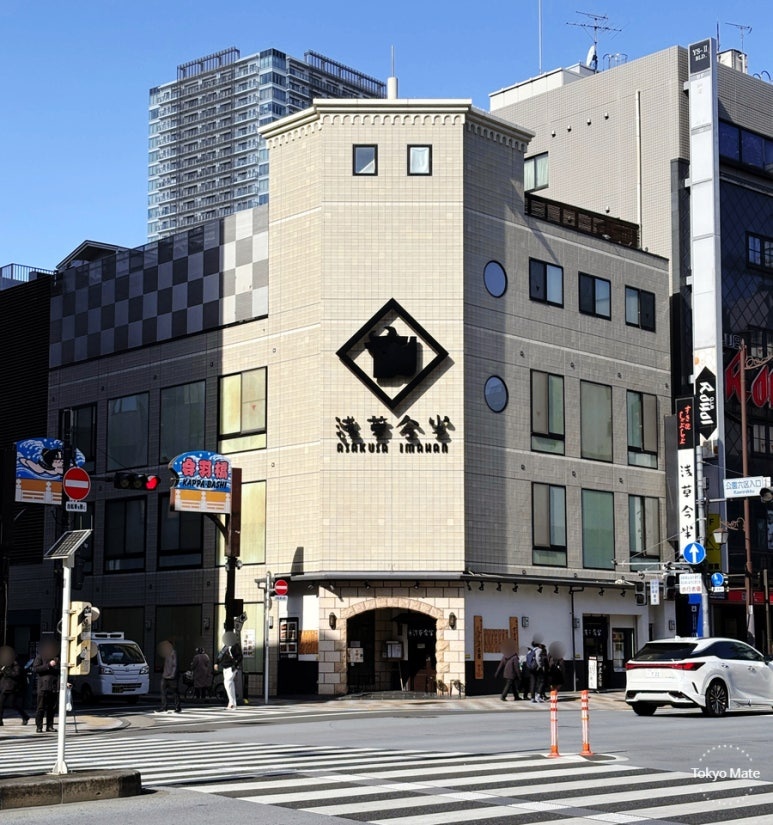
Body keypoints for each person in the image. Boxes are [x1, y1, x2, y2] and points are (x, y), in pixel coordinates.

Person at [33, 641, 59, 733]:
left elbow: (60, 671)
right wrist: (48, 665)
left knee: (52, 708)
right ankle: (39, 726)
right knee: (41, 707)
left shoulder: (57, 658)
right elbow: (35, 668)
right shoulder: (40, 656)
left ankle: (49, 726)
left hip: (54, 686)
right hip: (43, 686)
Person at [0, 650, 30, 726]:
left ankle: (25, 716)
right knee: (2, 704)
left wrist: (5, 671)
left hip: (12, 687)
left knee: (13, 704)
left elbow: (16, 674)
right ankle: (0, 720)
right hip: (4, 687)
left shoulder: (15, 664)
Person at [214, 632, 242, 709]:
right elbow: (220, 655)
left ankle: (231, 702)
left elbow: (240, 657)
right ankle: (233, 703)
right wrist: (216, 663)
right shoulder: (226, 647)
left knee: (227, 682)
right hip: (225, 667)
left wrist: (235, 664)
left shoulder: (235, 646)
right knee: (230, 684)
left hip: (232, 667)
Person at [158, 640, 181, 713]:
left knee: (175, 692)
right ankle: (164, 707)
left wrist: (172, 675)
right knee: (163, 692)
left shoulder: (173, 652)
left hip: (171, 677)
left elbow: (175, 665)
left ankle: (177, 707)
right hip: (165, 676)